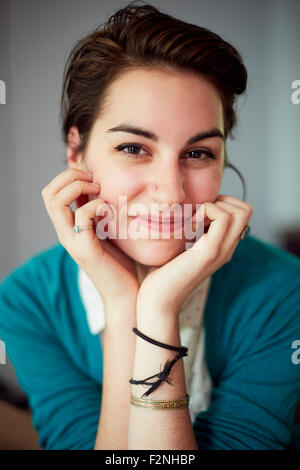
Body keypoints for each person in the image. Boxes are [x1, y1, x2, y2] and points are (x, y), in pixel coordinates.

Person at [0, 1, 300, 450]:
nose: (171, 192)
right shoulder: (27, 301)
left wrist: (157, 310)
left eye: (198, 153)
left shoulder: (283, 290)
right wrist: (125, 309)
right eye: (134, 148)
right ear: (76, 150)